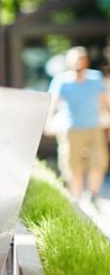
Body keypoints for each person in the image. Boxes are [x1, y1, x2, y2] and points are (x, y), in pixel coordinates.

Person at [46, 46, 110, 199]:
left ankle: (93, 194)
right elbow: (53, 103)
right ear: (69, 62)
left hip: (93, 127)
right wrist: (47, 122)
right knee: (72, 165)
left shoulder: (95, 79)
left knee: (99, 161)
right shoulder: (61, 81)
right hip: (70, 130)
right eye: (75, 60)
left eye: (81, 59)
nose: (78, 63)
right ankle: (77, 197)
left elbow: (105, 101)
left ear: (86, 61)